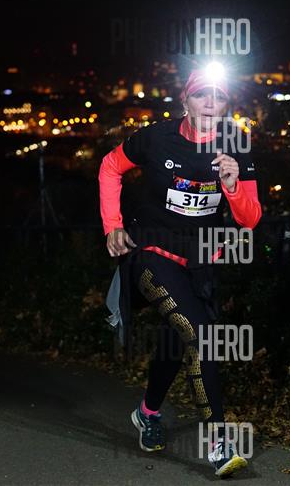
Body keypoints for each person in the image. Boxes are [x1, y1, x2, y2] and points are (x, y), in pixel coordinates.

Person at [99, 65, 261, 477]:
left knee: (178, 338)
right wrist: (112, 225)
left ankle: (147, 413)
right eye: (201, 95)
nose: (210, 103)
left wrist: (232, 185)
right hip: (152, 252)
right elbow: (110, 167)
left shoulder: (236, 146)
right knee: (202, 337)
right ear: (185, 101)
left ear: (226, 105)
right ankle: (219, 444)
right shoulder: (157, 137)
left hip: (201, 262)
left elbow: (250, 219)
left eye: (219, 97)